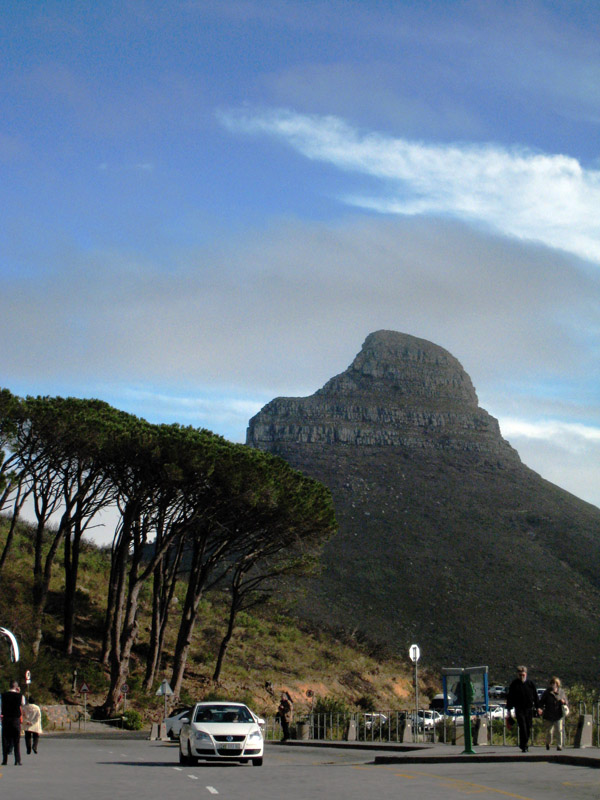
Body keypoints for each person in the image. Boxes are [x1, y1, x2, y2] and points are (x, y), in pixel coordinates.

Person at [506, 665, 540, 752]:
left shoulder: (530, 684)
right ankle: (524, 745)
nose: (521, 676)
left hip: (529, 709)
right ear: (517, 675)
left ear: (526, 674)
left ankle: (524, 743)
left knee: (528, 727)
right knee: (523, 727)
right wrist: (509, 710)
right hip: (519, 709)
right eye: (520, 675)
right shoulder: (514, 684)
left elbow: (535, 697)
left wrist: (538, 707)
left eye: (523, 675)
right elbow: (510, 697)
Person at [538, 676, 568, 751]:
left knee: (559, 730)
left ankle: (559, 745)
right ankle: (548, 743)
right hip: (549, 715)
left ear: (557, 684)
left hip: (558, 714)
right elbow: (541, 702)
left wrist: (563, 702)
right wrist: (540, 708)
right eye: (552, 683)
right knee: (549, 732)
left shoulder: (561, 692)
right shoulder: (547, 692)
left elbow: (566, 701)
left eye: (554, 683)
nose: (553, 685)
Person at [1, 680, 25, 765]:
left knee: (5, 740)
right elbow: (22, 704)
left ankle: (5, 760)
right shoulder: (19, 696)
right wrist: (19, 692)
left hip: (6, 719)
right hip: (15, 719)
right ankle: (17, 760)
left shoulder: (4, 695)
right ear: (16, 687)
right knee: (16, 740)